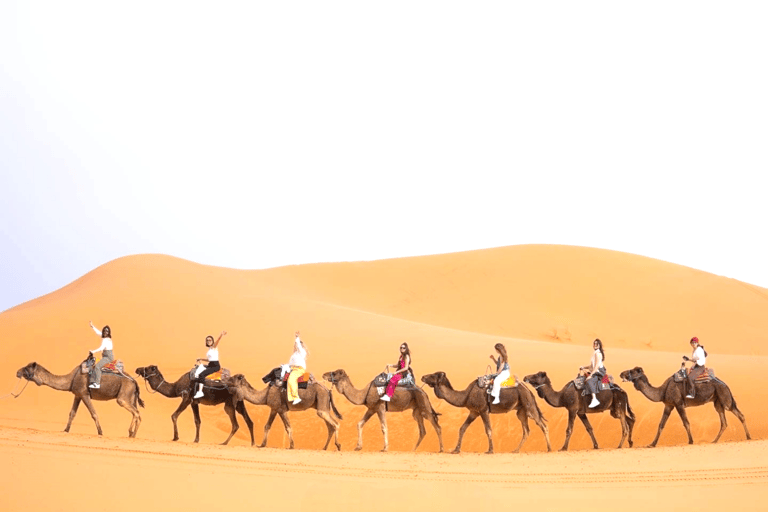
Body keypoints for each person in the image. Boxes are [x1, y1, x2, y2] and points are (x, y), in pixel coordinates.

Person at [193, 331, 226, 399]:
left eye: (210, 340)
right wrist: (201, 359)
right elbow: (209, 360)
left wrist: (221, 335)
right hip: (210, 364)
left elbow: (218, 341)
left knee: (201, 374)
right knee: (198, 368)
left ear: (212, 341)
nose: (208, 341)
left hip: (215, 366)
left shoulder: (214, 347)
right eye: (207, 340)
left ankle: (200, 392)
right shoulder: (209, 350)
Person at [581, 338, 606, 408]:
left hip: (599, 372)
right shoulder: (595, 353)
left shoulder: (598, 353)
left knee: (589, 381)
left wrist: (591, 375)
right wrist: (584, 367)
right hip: (595, 370)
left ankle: (594, 399)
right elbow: (592, 366)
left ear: (599, 345)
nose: (595, 345)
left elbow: (597, 366)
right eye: (594, 344)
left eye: (596, 344)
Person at [88, 321, 114, 389]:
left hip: (108, 357)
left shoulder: (106, 340)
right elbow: (98, 333)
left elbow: (101, 348)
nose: (105, 332)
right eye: (104, 331)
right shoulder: (106, 338)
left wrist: (93, 351)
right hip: (107, 356)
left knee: (97, 367)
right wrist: (92, 326)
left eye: (107, 331)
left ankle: (97, 384)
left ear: (109, 332)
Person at [286, 331, 308, 405]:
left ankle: (296, 397)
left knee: (291, 380)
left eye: (296, 345)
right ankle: (290, 398)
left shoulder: (302, 352)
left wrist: (297, 337)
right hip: (293, 369)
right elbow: (290, 364)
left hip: (299, 369)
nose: (295, 346)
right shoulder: (294, 355)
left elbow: (298, 346)